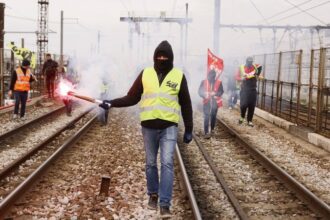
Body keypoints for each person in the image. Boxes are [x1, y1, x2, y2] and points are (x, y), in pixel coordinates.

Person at [99, 40, 193, 218]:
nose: (162, 59)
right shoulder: (145, 74)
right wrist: (111, 103)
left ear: (171, 58)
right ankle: (153, 195)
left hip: (169, 127)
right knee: (150, 164)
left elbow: (186, 103)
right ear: (155, 57)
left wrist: (189, 128)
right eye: (159, 56)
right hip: (148, 127)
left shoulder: (178, 76)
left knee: (166, 163)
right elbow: (131, 98)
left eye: (165, 56)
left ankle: (165, 204)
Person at [236, 56, 262, 127]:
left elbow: (260, 67)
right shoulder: (241, 67)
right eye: (249, 62)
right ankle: (242, 117)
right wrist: (242, 78)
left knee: (252, 106)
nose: (250, 63)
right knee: (243, 105)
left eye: (251, 62)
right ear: (246, 62)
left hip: (253, 89)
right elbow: (236, 77)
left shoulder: (255, 67)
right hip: (244, 90)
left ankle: (249, 120)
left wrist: (258, 75)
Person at [198, 69, 224, 139]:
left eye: (213, 77)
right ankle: (206, 131)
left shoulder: (219, 82)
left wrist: (216, 93)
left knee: (213, 116)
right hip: (206, 102)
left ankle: (212, 129)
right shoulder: (203, 82)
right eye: (210, 76)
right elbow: (199, 91)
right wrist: (204, 94)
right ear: (208, 75)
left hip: (215, 102)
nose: (211, 78)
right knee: (206, 116)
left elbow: (221, 91)